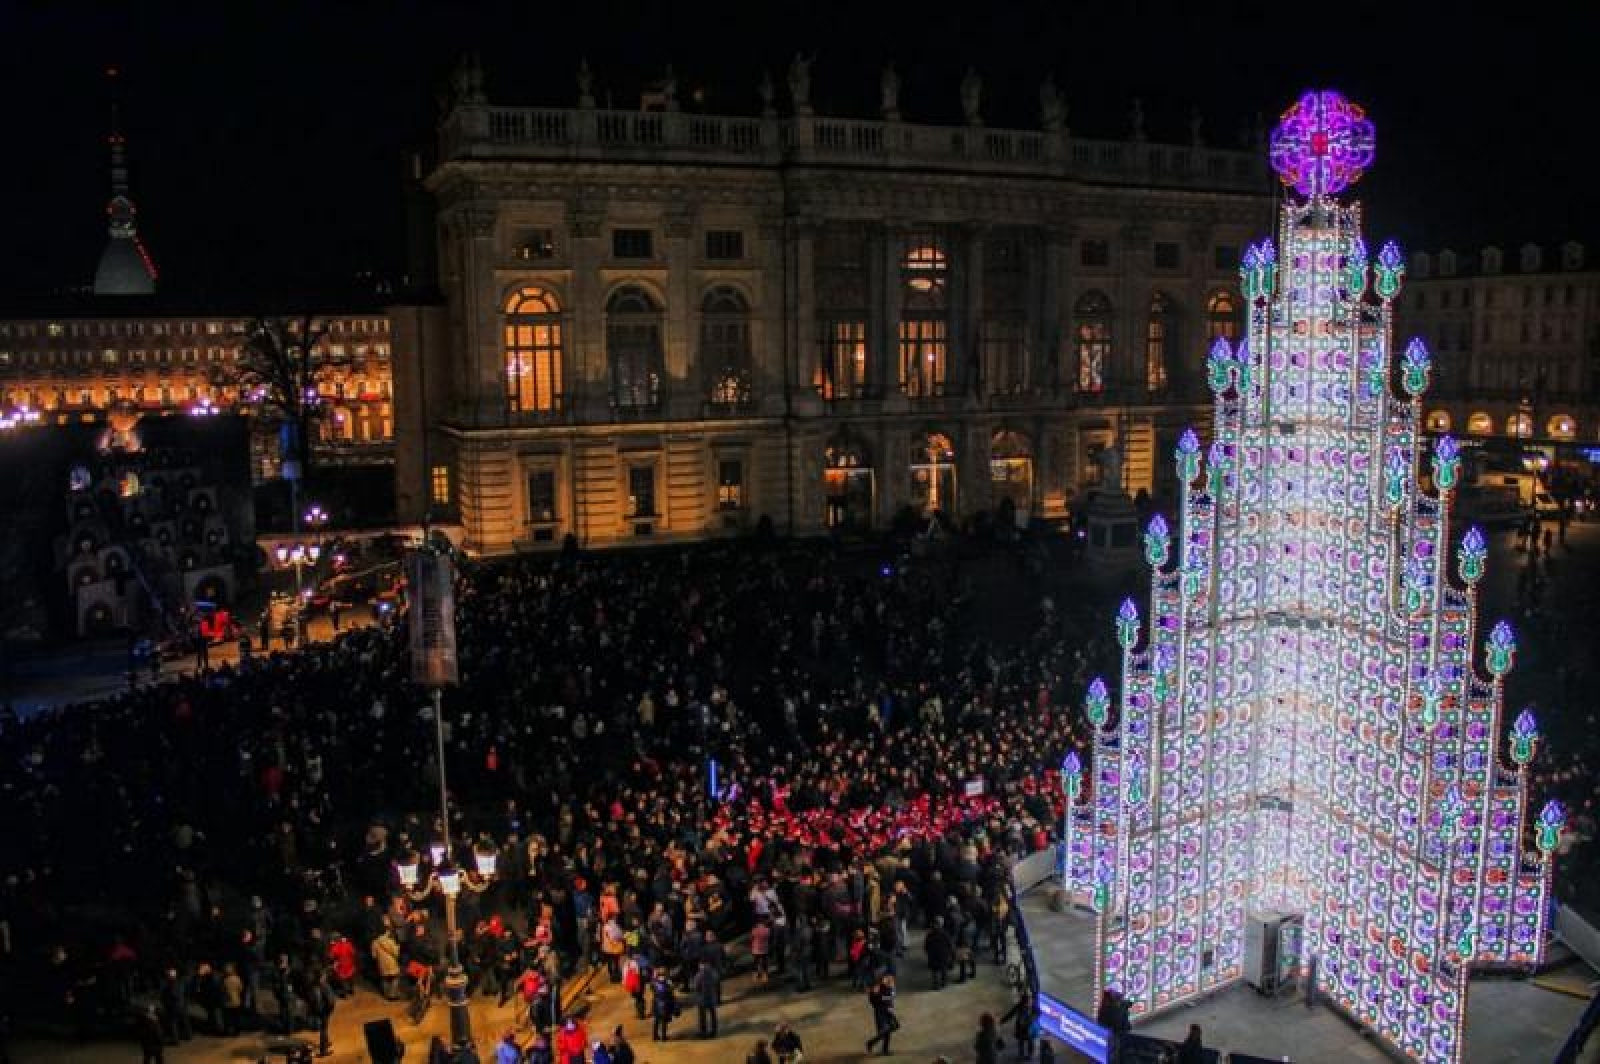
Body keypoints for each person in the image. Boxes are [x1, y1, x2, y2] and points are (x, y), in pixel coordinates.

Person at [864, 973, 898, 1056]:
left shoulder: (887, 987)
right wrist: (876, 994)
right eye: (886, 978)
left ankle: (883, 1048)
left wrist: (890, 990)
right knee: (884, 1030)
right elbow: (876, 1001)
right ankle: (873, 1044)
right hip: (880, 1012)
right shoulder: (876, 991)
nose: (888, 980)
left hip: (888, 1011)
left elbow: (891, 997)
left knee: (892, 1027)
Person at [1000, 989, 1036, 1059]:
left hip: (1028, 1027)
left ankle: (1029, 1055)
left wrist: (1031, 1018)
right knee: (1022, 1042)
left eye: (1030, 1001)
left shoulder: (1032, 1006)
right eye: (1029, 1001)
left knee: (1029, 1041)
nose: (1030, 1002)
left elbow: (1038, 1012)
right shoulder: (1020, 1006)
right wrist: (1003, 1020)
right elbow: (1011, 1014)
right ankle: (1022, 1054)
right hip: (1022, 1028)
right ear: (1024, 1002)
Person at [692, 957, 720, 1038]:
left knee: (702, 1016)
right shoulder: (713, 972)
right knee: (713, 1014)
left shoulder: (699, 975)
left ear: (701, 965)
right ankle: (714, 1031)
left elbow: (695, 986)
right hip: (711, 997)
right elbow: (716, 981)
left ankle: (703, 1031)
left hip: (702, 998)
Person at [650, 972, 676, 1042]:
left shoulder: (655, 984)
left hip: (656, 1004)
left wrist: (655, 978)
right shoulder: (666, 985)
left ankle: (655, 1036)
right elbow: (671, 991)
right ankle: (663, 1037)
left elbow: (651, 986)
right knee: (664, 1021)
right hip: (664, 1005)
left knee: (657, 1021)